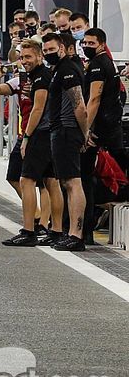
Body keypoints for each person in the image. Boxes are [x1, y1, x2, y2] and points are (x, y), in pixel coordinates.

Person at [0, 41, 54, 230]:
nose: (24, 61)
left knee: (43, 182)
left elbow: (39, 109)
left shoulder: (44, 77)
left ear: (39, 56)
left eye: (28, 57)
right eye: (22, 57)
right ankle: (36, 216)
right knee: (14, 176)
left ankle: (41, 224)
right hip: (24, 133)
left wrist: (27, 137)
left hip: (38, 134)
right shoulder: (20, 80)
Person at [41, 32, 89, 251]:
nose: (49, 53)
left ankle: (76, 235)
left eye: (52, 50)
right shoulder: (59, 69)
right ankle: (71, 233)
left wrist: (84, 133)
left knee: (73, 183)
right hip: (61, 131)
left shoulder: (68, 69)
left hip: (68, 131)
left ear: (62, 48)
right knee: (67, 183)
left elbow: (80, 106)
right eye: (46, 51)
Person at [80, 28, 123, 244]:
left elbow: (94, 98)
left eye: (90, 43)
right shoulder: (107, 61)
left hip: (99, 132)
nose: (86, 46)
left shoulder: (98, 64)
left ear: (101, 43)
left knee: (85, 178)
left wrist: (85, 129)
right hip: (110, 128)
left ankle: (85, 230)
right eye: (84, 43)